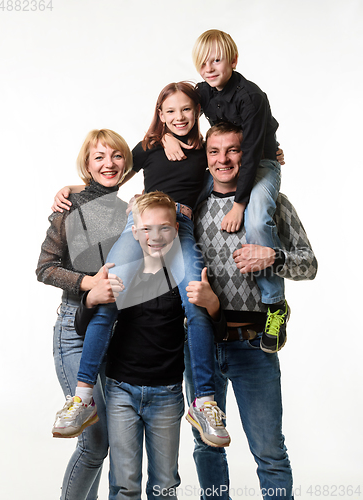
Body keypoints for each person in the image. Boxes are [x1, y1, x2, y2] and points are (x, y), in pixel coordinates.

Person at [51, 82, 230, 448]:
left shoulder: (206, 149)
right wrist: (72, 188)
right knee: (109, 294)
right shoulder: (151, 147)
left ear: (197, 112)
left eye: (186, 110)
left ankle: (205, 401)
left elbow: (232, 164)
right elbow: (115, 176)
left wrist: (269, 153)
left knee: (195, 301)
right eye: (170, 112)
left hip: (180, 228)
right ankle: (83, 396)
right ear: (160, 116)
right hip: (141, 225)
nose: (179, 117)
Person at [184, 122, 318, 500]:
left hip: (254, 345)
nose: (224, 159)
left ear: (248, 154)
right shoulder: (193, 205)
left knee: (270, 452)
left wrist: (272, 256)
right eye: (215, 151)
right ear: (206, 158)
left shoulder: (271, 202)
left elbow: (309, 264)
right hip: (200, 345)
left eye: (233, 150)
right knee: (206, 446)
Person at [74, 192, 225, 500]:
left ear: (178, 229)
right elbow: (84, 326)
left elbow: (212, 332)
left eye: (165, 228)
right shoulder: (123, 273)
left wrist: (214, 306)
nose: (156, 237)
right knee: (125, 485)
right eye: (147, 229)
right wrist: (90, 297)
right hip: (121, 392)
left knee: (164, 485)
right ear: (135, 232)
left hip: (167, 395)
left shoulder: (185, 276)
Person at [165, 29, 288, 354]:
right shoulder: (203, 92)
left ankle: (275, 304)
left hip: (258, 162)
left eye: (217, 60)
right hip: (232, 161)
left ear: (233, 60)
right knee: (183, 196)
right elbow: (175, 108)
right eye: (202, 62)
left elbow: (248, 155)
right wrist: (166, 137)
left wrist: (239, 205)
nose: (209, 67)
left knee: (258, 219)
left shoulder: (251, 97)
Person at [36, 129, 131, 500]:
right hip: (74, 329)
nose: (109, 164)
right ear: (87, 166)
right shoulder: (70, 208)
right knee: (94, 441)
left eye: (117, 156)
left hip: (115, 331)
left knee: (111, 442)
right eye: (99, 158)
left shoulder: (125, 211)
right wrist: (88, 282)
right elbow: (45, 268)